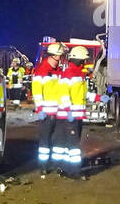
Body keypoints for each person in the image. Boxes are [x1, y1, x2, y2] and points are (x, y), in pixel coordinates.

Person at [55, 45, 90, 178]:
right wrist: (69, 110)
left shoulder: (78, 74)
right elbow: (64, 95)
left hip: (76, 115)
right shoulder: (69, 74)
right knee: (73, 145)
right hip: (71, 116)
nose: (85, 62)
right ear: (80, 60)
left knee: (69, 143)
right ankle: (74, 172)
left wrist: (99, 98)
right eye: (84, 60)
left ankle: (64, 168)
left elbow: (83, 94)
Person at [31, 42, 64, 176]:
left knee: (57, 141)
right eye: (59, 56)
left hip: (58, 112)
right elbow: (37, 92)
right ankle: (43, 166)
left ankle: (56, 165)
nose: (60, 59)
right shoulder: (41, 70)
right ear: (53, 56)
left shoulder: (57, 71)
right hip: (46, 113)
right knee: (45, 141)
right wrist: (40, 109)